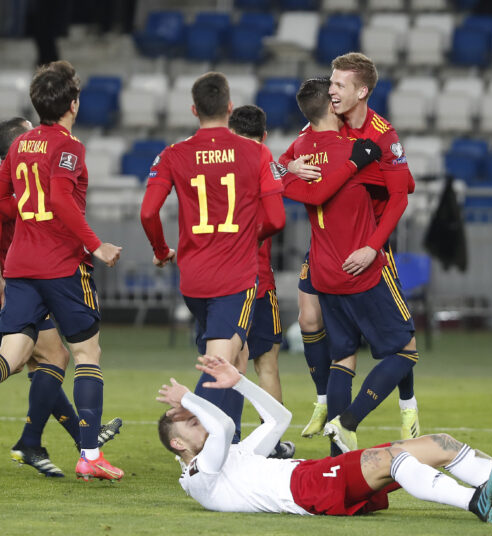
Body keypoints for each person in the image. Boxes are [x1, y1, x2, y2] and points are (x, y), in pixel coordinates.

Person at [0, 60, 125, 481]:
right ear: (73, 104)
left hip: (21, 266)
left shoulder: (19, 147)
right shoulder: (69, 147)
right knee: (87, 354)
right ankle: (89, 455)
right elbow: (58, 197)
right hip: (61, 264)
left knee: (14, 353)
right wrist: (97, 244)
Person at [157, 355, 492, 521]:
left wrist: (239, 383)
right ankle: (473, 501)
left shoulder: (229, 457)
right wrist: (191, 398)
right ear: (179, 445)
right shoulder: (202, 475)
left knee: (441, 443)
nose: (199, 422)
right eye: (189, 424)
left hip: (312, 475)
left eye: (194, 416)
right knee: (394, 460)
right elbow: (225, 427)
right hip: (306, 488)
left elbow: (279, 419)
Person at [280, 53, 419, 445]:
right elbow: (284, 163)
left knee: (358, 347)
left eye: (339, 84)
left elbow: (403, 191)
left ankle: (406, 408)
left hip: (364, 246)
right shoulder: (328, 130)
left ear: (362, 92)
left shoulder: (382, 134)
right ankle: (337, 414)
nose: (332, 90)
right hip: (340, 253)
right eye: (332, 85)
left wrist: (374, 246)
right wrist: (291, 169)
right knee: (395, 344)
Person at [140, 72, 286, 442]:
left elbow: (147, 212)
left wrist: (161, 251)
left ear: (194, 109)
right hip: (233, 278)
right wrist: (246, 237)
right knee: (221, 364)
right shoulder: (256, 152)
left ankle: (231, 441)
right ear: (229, 107)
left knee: (237, 357)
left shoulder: (174, 154)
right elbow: (277, 218)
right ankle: (187, 441)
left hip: (193, 279)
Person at [227, 104, 293, 459]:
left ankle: (227, 440)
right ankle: (271, 445)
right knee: (265, 364)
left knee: (224, 362)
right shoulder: (266, 164)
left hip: (222, 281)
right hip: (260, 280)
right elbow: (277, 202)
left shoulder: (218, 164)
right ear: (264, 136)